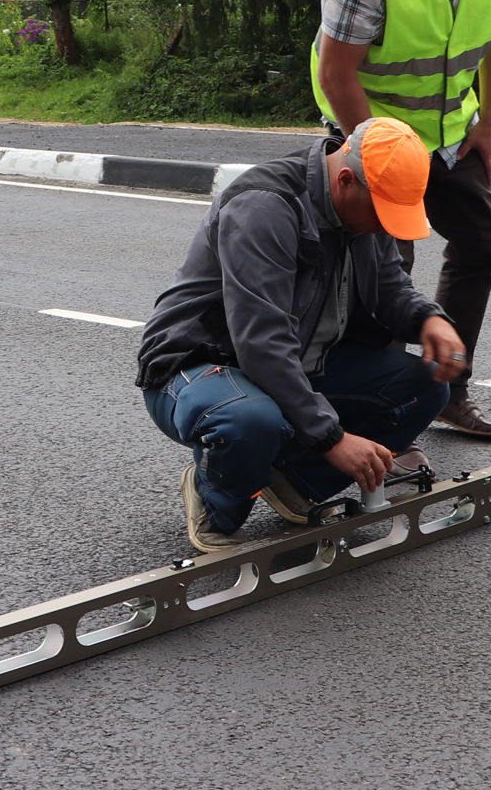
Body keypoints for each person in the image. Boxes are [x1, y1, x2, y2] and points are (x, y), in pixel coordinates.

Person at [136, 117, 469, 552]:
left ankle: (291, 480)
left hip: (297, 361)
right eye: (380, 213)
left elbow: (390, 286)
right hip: (203, 365)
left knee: (426, 385)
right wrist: (332, 438)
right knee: (248, 421)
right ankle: (213, 493)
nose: (384, 227)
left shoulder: (361, 211)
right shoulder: (264, 207)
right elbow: (262, 342)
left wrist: (430, 319)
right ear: (346, 180)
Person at [311, 0, 491, 442]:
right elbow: (336, 75)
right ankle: (380, 418)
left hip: (452, 135)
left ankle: (449, 394)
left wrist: (488, 125)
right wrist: (375, 158)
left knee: (481, 240)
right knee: (385, 271)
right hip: (371, 134)